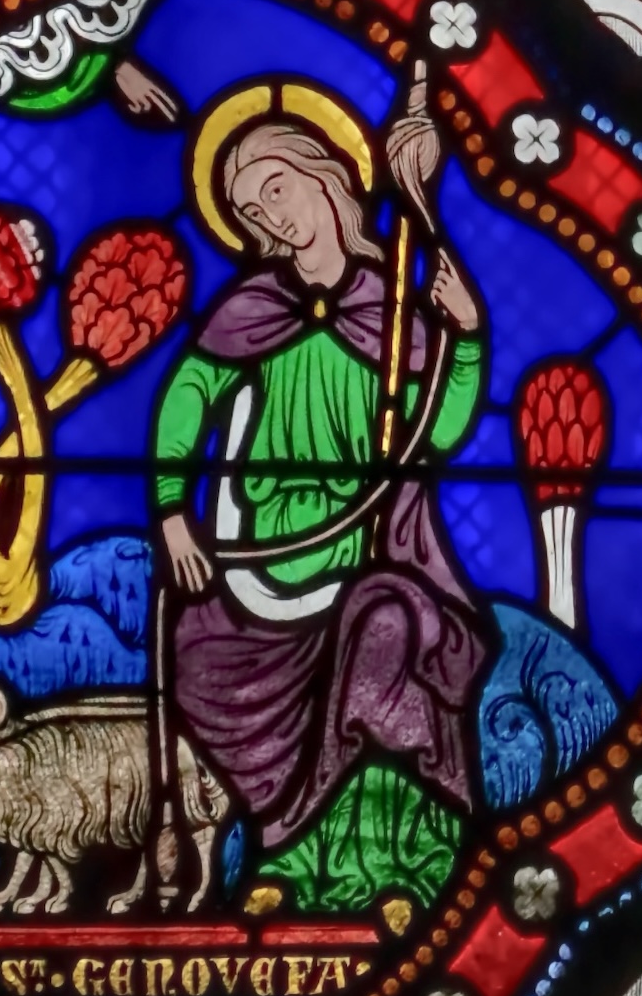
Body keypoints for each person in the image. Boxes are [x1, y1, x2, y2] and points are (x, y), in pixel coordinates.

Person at [151, 75, 488, 919]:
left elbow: (435, 433)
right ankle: (287, 861)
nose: (270, 217)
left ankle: (401, 859)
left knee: (385, 629)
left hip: (368, 544)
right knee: (198, 656)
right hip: (260, 550)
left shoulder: (393, 302)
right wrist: (171, 511)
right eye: (250, 211)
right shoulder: (252, 308)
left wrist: (467, 337)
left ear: (326, 176)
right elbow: (187, 400)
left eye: (276, 190)